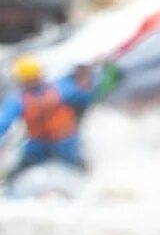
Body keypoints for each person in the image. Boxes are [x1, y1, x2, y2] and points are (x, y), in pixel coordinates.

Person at [1, 55, 121, 187]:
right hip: (49, 141)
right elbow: (90, 93)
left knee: (23, 169)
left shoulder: (21, 99)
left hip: (58, 141)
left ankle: (11, 185)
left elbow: (3, 123)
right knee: (75, 168)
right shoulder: (59, 88)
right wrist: (106, 73)